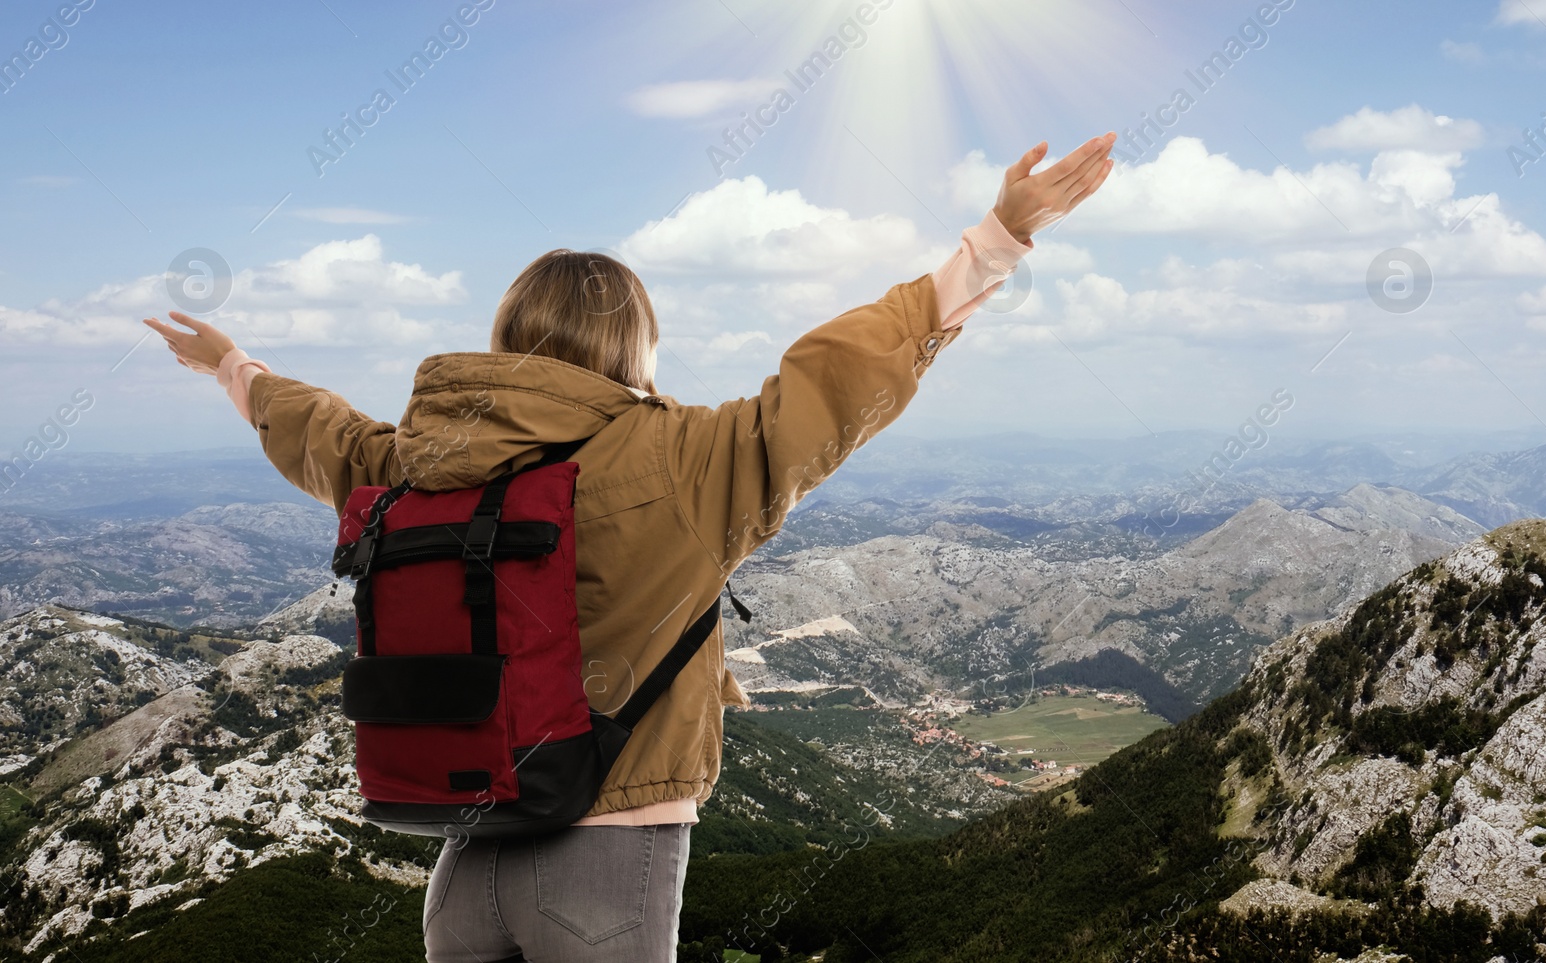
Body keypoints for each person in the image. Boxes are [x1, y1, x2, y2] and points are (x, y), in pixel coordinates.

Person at [144, 132, 1116, 963]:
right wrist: (995, 241)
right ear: (635, 349)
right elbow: (831, 379)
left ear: (506, 340)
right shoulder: (683, 458)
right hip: (603, 869)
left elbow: (319, 434)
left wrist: (231, 365)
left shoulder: (411, 463)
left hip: (458, 867)